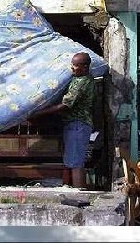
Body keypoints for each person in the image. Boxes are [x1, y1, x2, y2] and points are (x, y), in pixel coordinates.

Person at [28, 52, 95, 189]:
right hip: (73, 124)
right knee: (71, 160)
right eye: (72, 65)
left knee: (76, 163)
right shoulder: (77, 79)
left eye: (76, 66)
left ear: (85, 67)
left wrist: (37, 113)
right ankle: (74, 191)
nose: (72, 68)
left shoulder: (83, 82)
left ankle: (80, 195)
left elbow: (65, 105)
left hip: (78, 124)